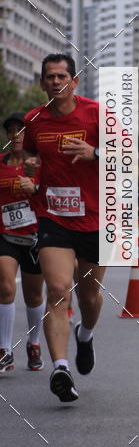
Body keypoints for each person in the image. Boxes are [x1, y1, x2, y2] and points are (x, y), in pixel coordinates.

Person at [24, 53, 105, 403]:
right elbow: (29, 160)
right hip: (53, 217)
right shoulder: (34, 120)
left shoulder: (97, 113)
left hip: (95, 218)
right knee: (58, 289)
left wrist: (96, 153)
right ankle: (60, 368)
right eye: (49, 77)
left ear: (73, 81)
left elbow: (125, 158)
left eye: (62, 76)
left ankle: (85, 335)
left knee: (88, 297)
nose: (56, 82)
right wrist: (29, 177)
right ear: (43, 83)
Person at [0, 113, 45, 372]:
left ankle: (34, 342)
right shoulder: (1, 163)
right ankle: (5, 350)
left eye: (21, 130)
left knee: (34, 295)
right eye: (11, 130)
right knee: (5, 287)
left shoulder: (39, 165)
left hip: (33, 237)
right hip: (5, 236)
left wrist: (36, 189)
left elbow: (50, 195)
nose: (15, 134)